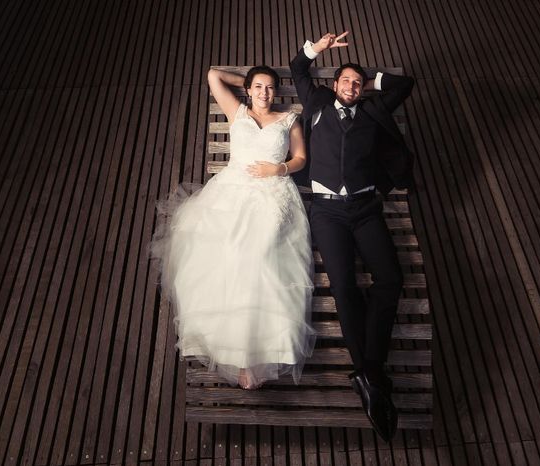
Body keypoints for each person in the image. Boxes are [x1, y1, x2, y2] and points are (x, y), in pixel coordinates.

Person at [151, 66, 316, 389]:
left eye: (270, 88)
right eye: (258, 87)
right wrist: (246, 83)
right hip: (232, 191)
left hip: (273, 192)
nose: (264, 93)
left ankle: (260, 352)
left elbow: (300, 158)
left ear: (277, 92)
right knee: (224, 252)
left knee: (259, 254)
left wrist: (278, 169)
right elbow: (213, 75)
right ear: (250, 89)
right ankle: (237, 356)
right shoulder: (237, 111)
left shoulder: (288, 120)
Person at [290, 32, 415, 441]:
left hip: (364, 208)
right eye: (345, 80)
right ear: (334, 84)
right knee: (344, 286)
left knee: (391, 279)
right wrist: (318, 50)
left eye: (357, 83)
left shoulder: (373, 109)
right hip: (326, 211)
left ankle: (368, 372)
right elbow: (297, 68)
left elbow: (405, 83)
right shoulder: (317, 102)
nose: (351, 86)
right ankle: (371, 374)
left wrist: (372, 80)